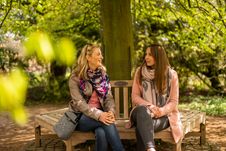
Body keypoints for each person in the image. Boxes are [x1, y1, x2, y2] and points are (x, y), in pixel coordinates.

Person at [68, 44, 124, 151]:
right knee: (107, 122)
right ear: (88, 57)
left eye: (101, 54)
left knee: (101, 132)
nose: (101, 57)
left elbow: (108, 97)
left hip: (101, 115)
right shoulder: (75, 77)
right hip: (81, 117)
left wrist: (111, 111)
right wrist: (99, 115)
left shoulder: (103, 76)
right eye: (98, 54)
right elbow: (79, 103)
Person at [129, 44, 183, 151]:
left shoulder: (171, 75)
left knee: (142, 126)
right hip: (141, 112)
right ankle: (151, 148)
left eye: (150, 54)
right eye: (146, 54)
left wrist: (161, 111)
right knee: (142, 112)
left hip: (163, 117)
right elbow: (135, 97)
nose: (146, 57)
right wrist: (150, 106)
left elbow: (173, 101)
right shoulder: (140, 72)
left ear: (158, 56)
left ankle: (150, 148)